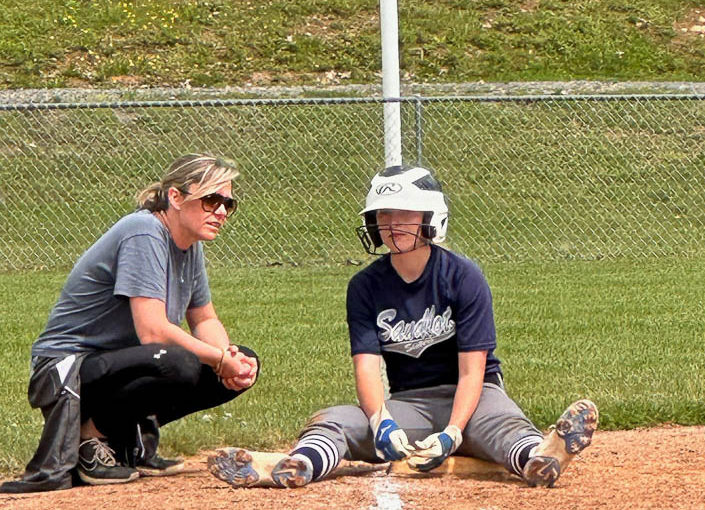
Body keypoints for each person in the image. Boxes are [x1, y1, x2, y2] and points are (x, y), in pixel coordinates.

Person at [208, 164, 596, 490]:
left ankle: (540, 456)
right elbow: (366, 366)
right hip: (412, 401)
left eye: (404, 214)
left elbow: (472, 369)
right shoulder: (365, 285)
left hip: (474, 397)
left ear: (431, 220)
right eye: (384, 215)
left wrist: (454, 431)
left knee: (501, 426)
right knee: (339, 420)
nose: (392, 225)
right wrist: (381, 421)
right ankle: (301, 464)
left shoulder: (463, 275)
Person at [1, 154, 258, 494]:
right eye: (211, 200)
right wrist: (218, 358)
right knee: (178, 361)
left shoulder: (189, 245)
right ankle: (88, 440)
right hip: (69, 368)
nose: (221, 212)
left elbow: (204, 317)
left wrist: (229, 360)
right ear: (175, 197)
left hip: (121, 363)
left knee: (231, 363)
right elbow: (152, 331)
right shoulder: (144, 232)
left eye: (228, 203)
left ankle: (121, 439)